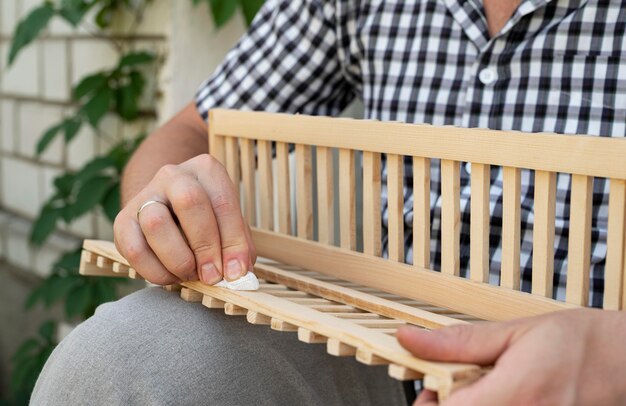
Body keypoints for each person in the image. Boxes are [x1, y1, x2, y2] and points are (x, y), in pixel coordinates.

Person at [32, 0, 626, 404]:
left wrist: (612, 357)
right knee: (120, 362)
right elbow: (188, 132)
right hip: (386, 349)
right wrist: (163, 199)